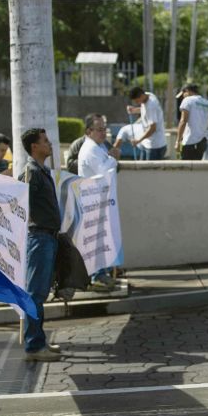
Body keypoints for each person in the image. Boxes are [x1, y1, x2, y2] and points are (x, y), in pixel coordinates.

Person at [18, 128, 65, 363]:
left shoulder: (41, 171)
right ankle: (34, 346)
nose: (50, 144)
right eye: (45, 141)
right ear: (34, 146)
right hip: (39, 238)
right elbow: (19, 198)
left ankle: (39, 340)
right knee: (34, 294)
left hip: (48, 237)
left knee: (39, 292)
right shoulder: (30, 172)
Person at [78, 114, 120, 291]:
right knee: (95, 241)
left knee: (103, 239)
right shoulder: (90, 150)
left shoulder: (99, 146)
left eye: (105, 129)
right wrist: (112, 158)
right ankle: (97, 276)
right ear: (89, 131)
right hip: (92, 201)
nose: (104, 133)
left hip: (102, 200)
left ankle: (103, 274)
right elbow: (104, 172)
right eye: (100, 129)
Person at [175, 84, 208, 160]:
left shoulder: (187, 100)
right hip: (202, 142)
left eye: (183, 94)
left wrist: (178, 141)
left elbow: (183, 121)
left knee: (185, 169)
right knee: (197, 168)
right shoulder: (206, 103)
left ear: (187, 91)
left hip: (189, 141)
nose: (183, 97)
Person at [126, 87, 167, 160]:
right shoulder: (148, 95)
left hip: (154, 146)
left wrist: (138, 140)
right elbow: (145, 111)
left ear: (141, 96)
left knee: (150, 171)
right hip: (147, 144)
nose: (137, 103)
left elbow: (153, 128)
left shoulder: (151, 105)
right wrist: (134, 110)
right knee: (143, 170)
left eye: (137, 101)